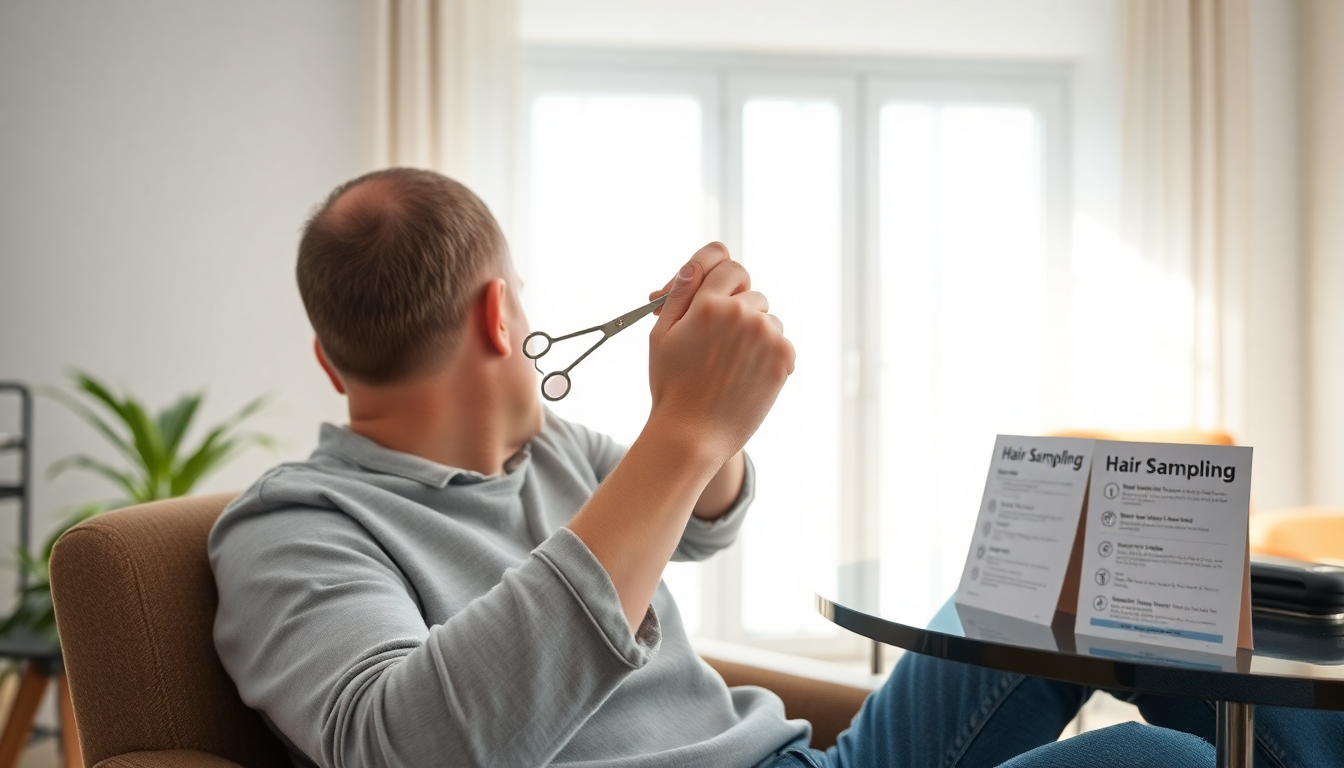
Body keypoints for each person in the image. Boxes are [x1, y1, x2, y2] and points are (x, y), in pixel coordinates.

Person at [209, 168, 1336, 768]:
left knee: (1079, 593)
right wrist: (680, 433)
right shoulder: (292, 528)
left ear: (327, 356)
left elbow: (705, 524)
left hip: (803, 763)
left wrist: (701, 437)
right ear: (504, 315)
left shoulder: (551, 452)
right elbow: (408, 752)